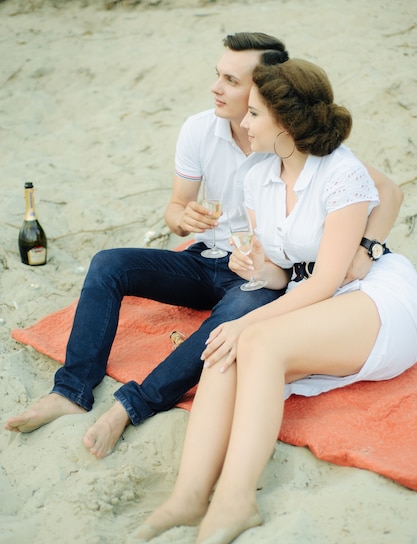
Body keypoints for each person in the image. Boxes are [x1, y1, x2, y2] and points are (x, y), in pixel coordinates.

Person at [5, 35, 402, 460]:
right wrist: (182, 218)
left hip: (262, 274)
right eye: (218, 75)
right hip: (207, 255)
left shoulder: (292, 145)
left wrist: (365, 247)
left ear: (268, 92)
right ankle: (72, 388)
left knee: (230, 321)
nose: (216, 87)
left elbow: (383, 191)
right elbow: (175, 210)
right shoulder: (199, 129)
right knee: (109, 264)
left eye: (232, 81)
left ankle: (133, 405)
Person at [135, 59, 417, 544]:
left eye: (255, 115)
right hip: (308, 294)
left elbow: (329, 279)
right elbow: (286, 274)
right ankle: (189, 494)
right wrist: (260, 270)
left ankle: (238, 498)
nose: (243, 123)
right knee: (224, 352)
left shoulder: (342, 174)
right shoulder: (257, 178)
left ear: (284, 126)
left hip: (370, 296)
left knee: (253, 339)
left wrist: (251, 319)